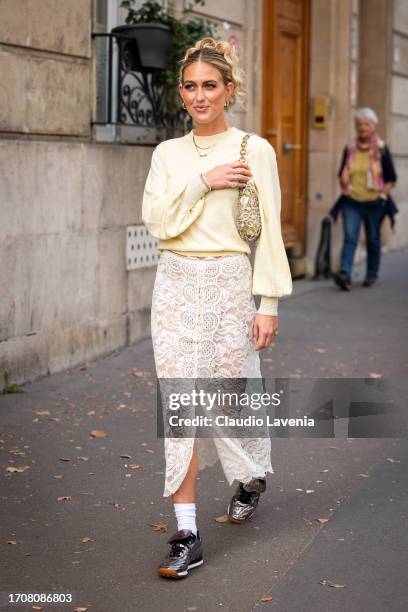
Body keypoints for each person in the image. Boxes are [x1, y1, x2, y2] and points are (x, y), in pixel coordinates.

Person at [142, 37, 292, 579]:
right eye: (190, 86)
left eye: (210, 85)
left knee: (231, 394)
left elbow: (270, 230)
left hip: (231, 280)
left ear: (229, 90)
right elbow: (157, 222)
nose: (199, 95)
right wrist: (203, 182)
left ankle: (250, 476)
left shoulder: (256, 150)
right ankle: (187, 533)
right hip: (176, 282)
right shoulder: (167, 154)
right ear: (181, 93)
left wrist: (268, 301)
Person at [331, 107, 398, 290]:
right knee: (350, 237)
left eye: (366, 124)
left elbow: (392, 178)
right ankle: (345, 273)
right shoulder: (350, 149)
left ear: (373, 126)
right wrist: (345, 187)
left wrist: (383, 194)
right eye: (359, 124)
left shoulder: (382, 149)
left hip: (375, 203)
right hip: (352, 201)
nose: (362, 127)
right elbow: (341, 173)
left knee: (373, 238)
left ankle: (372, 273)